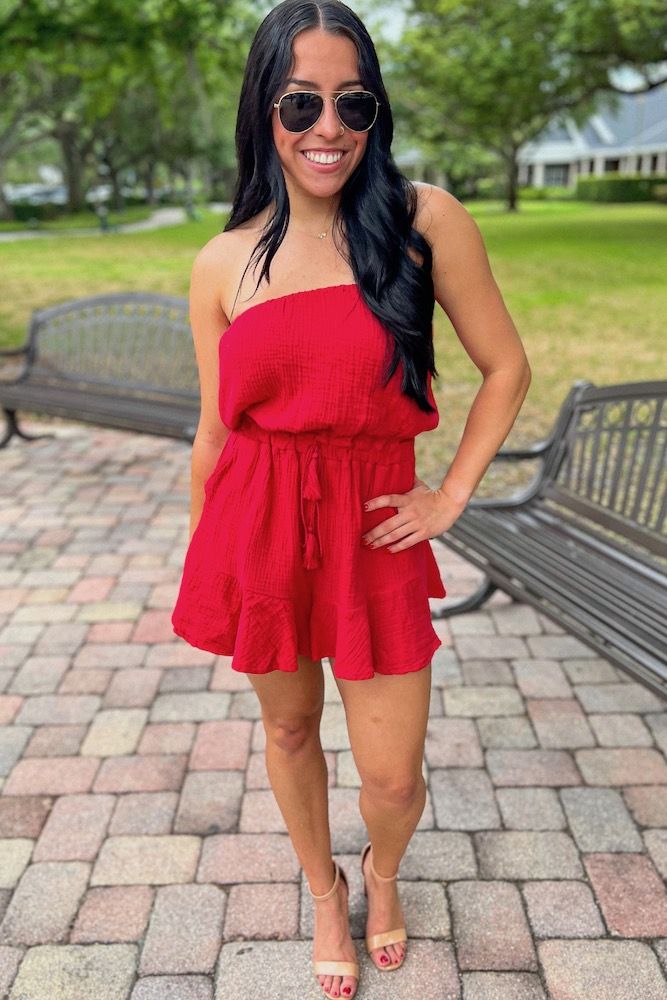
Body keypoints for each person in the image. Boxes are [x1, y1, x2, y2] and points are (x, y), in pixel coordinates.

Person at [171, 1, 531, 997]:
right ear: (264, 110)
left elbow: (505, 368)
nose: (327, 127)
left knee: (393, 778)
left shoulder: (424, 221)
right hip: (259, 531)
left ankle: (381, 871)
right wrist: (209, 560)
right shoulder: (222, 261)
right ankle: (326, 894)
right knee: (289, 731)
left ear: (375, 111)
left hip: (374, 532)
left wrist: (449, 496)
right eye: (301, 103)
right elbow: (213, 435)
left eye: (353, 102)